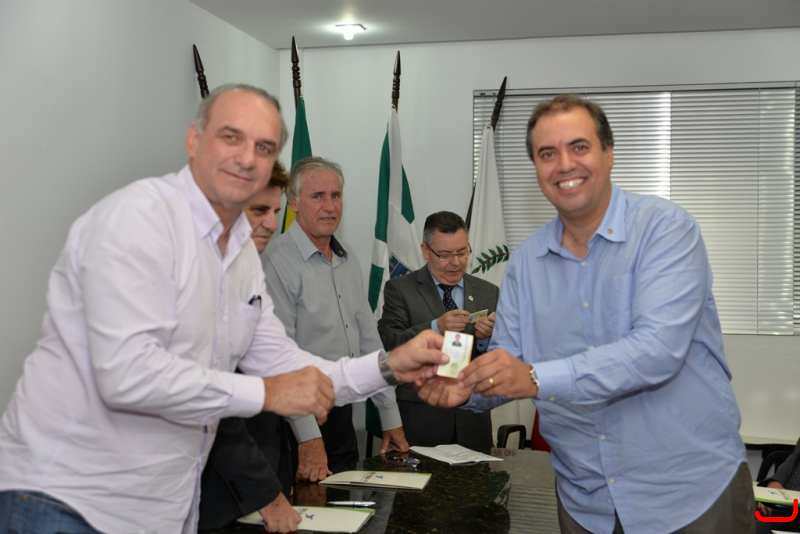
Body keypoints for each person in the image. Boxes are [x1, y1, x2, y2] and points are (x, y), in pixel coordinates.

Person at [0, 84, 448, 534]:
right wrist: (267, 393)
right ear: (194, 140)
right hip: (65, 501)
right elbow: (127, 375)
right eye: (232, 137)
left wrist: (391, 366)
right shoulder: (138, 219)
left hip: (162, 509)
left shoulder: (242, 261)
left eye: (264, 146)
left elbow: (291, 368)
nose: (248, 158)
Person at [418, 94, 755, 533]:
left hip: (687, 497)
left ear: (608, 154)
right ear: (537, 169)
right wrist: (464, 387)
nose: (564, 164)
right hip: (585, 503)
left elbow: (657, 352)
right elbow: (508, 361)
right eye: (547, 153)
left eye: (579, 147)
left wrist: (534, 377)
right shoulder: (526, 262)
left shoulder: (666, 230)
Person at [263, 156, 407, 482]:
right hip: (294, 425)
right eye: (317, 196)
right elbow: (278, 358)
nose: (329, 206)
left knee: (347, 507)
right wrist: (308, 437)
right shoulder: (275, 262)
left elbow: (369, 341)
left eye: (336, 195)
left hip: (343, 418)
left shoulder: (347, 257)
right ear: (294, 202)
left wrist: (390, 416)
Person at [199, 161, 299, 532]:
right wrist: (267, 494)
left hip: (261, 474)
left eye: (275, 211)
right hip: (215, 493)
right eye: (260, 210)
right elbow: (214, 405)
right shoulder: (198, 281)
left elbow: (278, 368)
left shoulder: (247, 273)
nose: (273, 224)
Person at [378, 211, 498, 449]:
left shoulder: (488, 292)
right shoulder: (400, 289)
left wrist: (485, 340)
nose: (456, 262)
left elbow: (503, 358)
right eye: (445, 255)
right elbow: (388, 343)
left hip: (473, 423)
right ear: (426, 251)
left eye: (462, 252)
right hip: (421, 421)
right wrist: (436, 327)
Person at [756, 436, 800, 534]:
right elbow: (794, 459)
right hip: (784, 504)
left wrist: (781, 499)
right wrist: (775, 483)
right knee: (738, 508)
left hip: (793, 514)